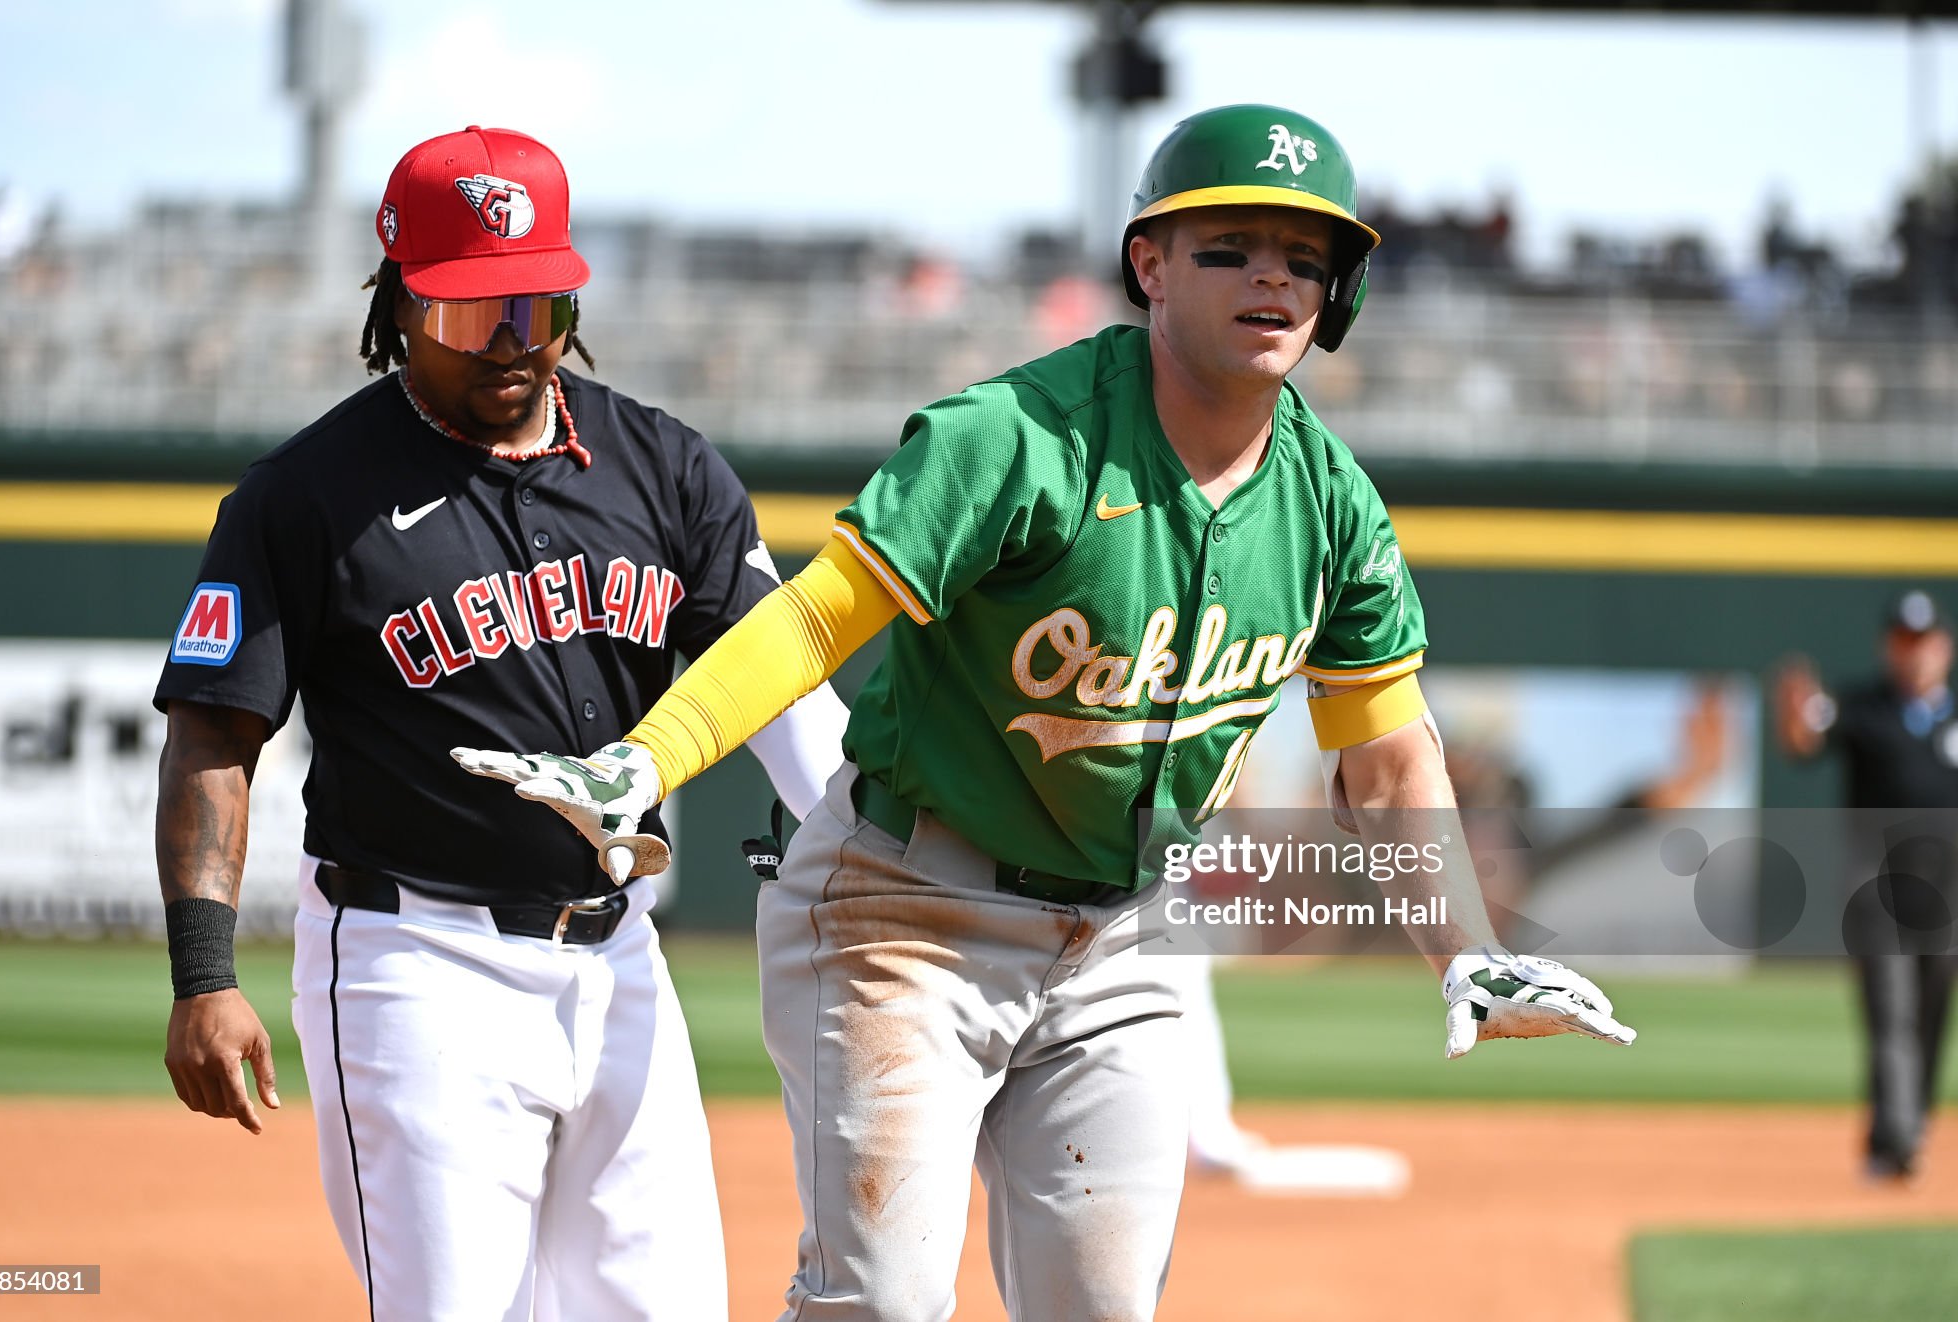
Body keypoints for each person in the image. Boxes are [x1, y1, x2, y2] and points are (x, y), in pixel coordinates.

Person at [459, 104, 1634, 1321]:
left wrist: (1464, 950)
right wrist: (647, 757)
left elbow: (1385, 756)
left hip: (1122, 942)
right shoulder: (1015, 438)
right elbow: (815, 620)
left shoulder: (1331, 505)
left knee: (1101, 1306)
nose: (1271, 275)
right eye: (1228, 245)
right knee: (882, 1301)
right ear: (1150, 265)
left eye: (1305, 255)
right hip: (905, 913)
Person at [153, 125, 848, 1321]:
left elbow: (783, 690)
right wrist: (203, 973)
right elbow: (215, 736)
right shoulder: (303, 496)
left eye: (540, 305)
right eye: (477, 315)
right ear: (399, 303)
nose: (516, 345)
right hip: (410, 961)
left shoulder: (664, 465)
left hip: (620, 954)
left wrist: (889, 858)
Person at [1774, 589, 1958, 1181]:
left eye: (1924, 641)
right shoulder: (1863, 707)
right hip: (1877, 883)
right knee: (1891, 1012)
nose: (1916, 653)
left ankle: (1905, 1126)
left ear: (1944, 647)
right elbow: (1806, 741)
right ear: (1889, 647)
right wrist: (1793, 717)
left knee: (1930, 1012)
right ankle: (1897, 1140)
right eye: (1904, 641)